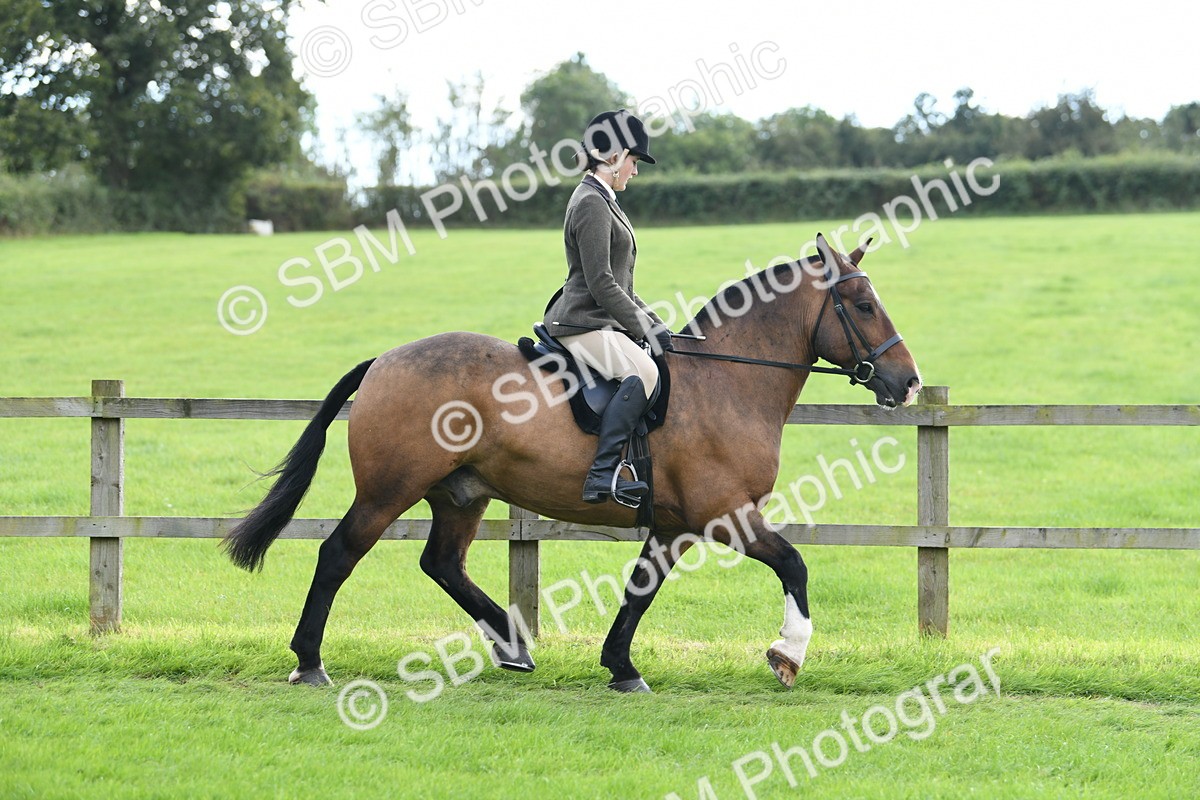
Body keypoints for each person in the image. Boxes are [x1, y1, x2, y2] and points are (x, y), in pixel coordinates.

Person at [543, 109, 672, 508]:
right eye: (634, 161)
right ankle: (602, 475)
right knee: (644, 371)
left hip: (601, 320)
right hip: (583, 321)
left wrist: (655, 323)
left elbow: (623, 285)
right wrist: (643, 328)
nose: (635, 170)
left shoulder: (604, 199)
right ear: (612, 156)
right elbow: (601, 284)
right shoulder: (591, 203)